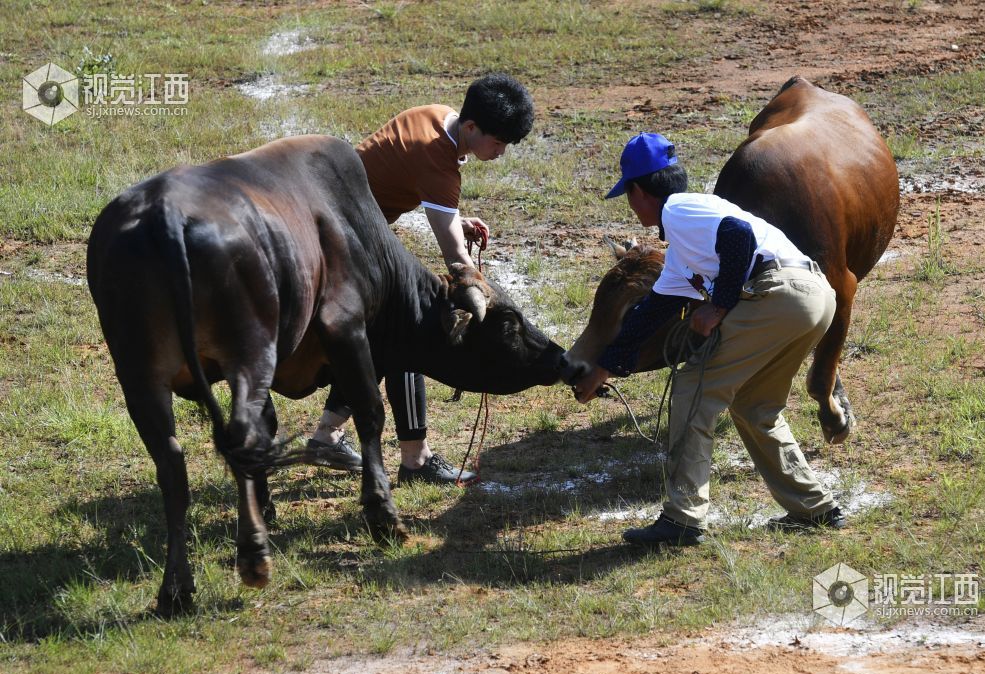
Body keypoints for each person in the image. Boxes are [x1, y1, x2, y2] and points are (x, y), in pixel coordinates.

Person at [573, 132, 845, 545]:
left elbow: (738, 236)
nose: (631, 206)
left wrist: (718, 305)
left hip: (780, 293)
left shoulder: (679, 210)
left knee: (693, 387)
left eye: (627, 195)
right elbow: (652, 313)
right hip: (814, 297)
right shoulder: (684, 246)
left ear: (640, 191)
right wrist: (605, 369)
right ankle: (815, 508)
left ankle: (682, 518)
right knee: (754, 405)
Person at [310, 72, 534, 485]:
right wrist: (473, 282)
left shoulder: (436, 118)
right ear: (471, 127)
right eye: (499, 142)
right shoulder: (439, 161)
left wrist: (454, 219)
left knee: (387, 333)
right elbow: (454, 257)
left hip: (339, 229)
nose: (501, 152)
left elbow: (399, 177)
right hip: (339, 242)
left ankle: (328, 434)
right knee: (408, 328)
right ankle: (415, 460)